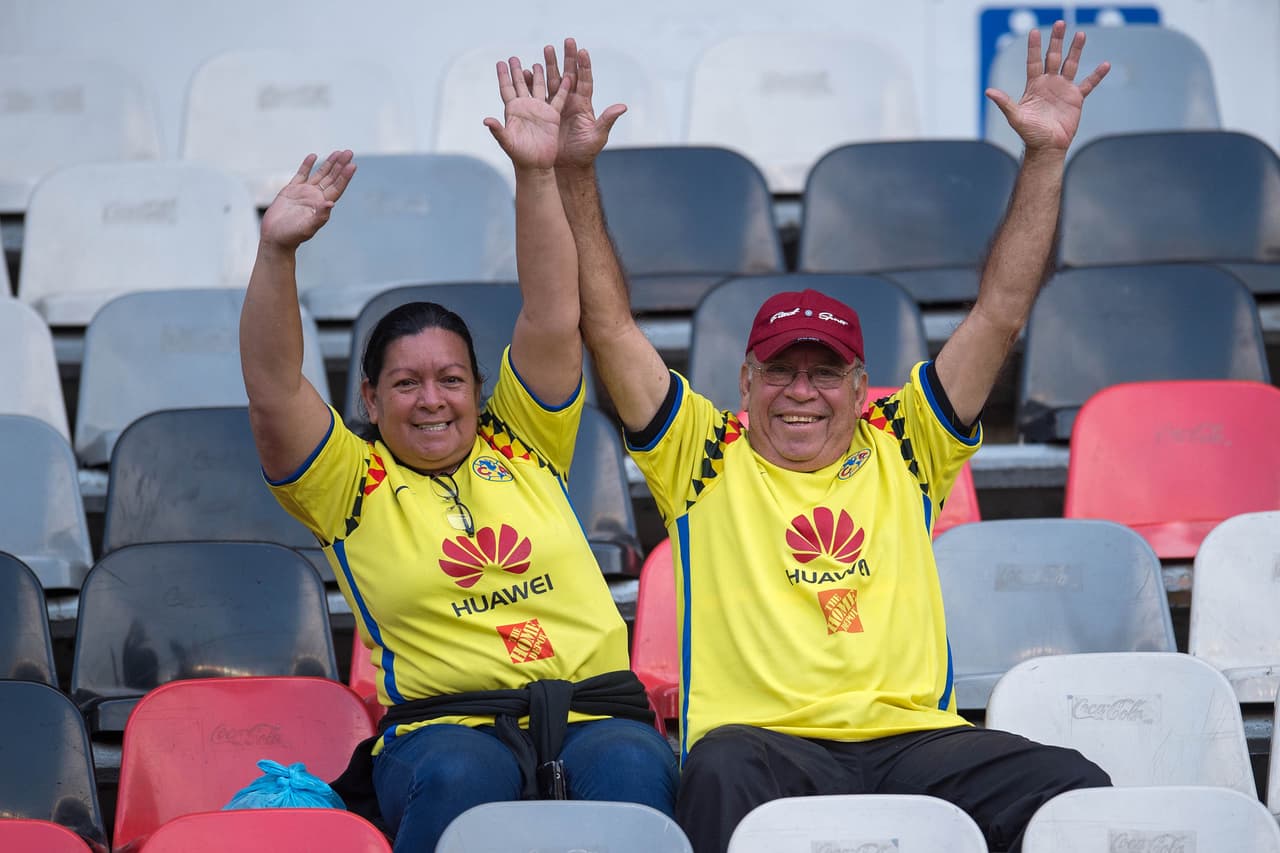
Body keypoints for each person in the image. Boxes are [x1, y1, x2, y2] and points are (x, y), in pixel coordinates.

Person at [544, 25, 1112, 853]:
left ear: (858, 385)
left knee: (1073, 789)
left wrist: (1045, 160)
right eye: (780, 370)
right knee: (714, 769)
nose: (800, 391)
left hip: (912, 741)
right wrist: (575, 173)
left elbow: (1001, 310)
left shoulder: (904, 441)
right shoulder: (702, 451)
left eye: (824, 372)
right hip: (765, 746)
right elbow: (608, 321)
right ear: (744, 383)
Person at [238, 56, 676, 852]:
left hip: (594, 713)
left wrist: (538, 174)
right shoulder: (350, 482)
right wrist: (277, 255)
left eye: (449, 379)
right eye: (405, 383)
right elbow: (272, 388)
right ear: (370, 400)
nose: (432, 398)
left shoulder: (525, 438)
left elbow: (552, 312)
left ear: (479, 388)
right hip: (447, 731)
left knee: (636, 772)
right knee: (462, 780)